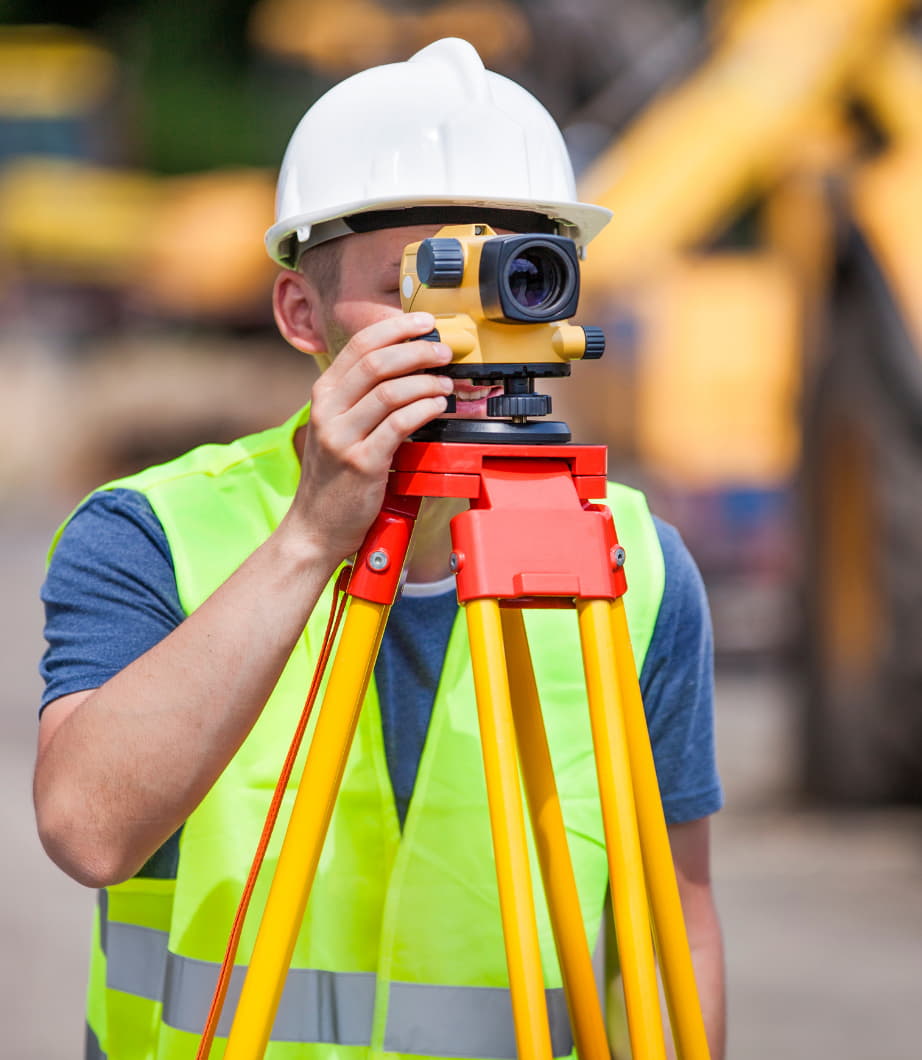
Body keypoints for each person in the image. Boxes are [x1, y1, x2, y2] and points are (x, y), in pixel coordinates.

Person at [35, 38, 725, 1060]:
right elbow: (89, 829)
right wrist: (314, 536)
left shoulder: (636, 560)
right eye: (428, 275)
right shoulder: (154, 533)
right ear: (299, 313)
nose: (471, 322)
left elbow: (674, 914)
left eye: (518, 267)